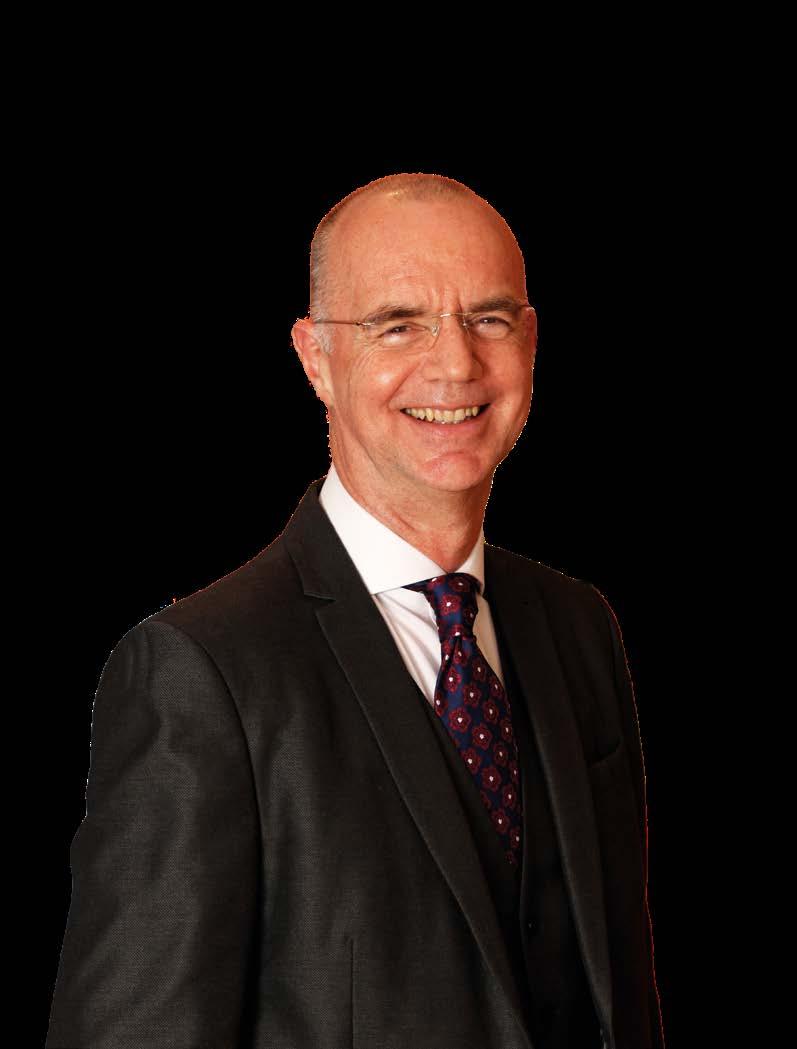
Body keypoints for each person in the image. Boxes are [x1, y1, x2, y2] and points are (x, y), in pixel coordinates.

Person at [46, 173, 664, 1049]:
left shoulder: (578, 626)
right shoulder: (200, 671)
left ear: (530, 341)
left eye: (488, 319)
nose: (455, 364)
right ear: (315, 358)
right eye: (398, 324)